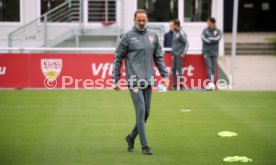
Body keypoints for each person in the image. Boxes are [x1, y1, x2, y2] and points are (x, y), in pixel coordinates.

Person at [112, 9, 169, 155]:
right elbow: (118, 58)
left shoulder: (153, 35)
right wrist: (116, 79)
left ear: (147, 20)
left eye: (144, 20)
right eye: (139, 20)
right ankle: (145, 146)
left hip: (149, 79)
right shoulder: (127, 37)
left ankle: (131, 137)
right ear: (134, 20)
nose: (142, 23)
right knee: (141, 110)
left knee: (146, 113)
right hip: (134, 80)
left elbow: (158, 57)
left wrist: (165, 74)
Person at [201, 17, 222, 90]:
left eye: (208, 22)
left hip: (215, 52)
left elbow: (217, 39)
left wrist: (209, 39)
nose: (207, 24)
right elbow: (203, 38)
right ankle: (210, 83)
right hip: (207, 52)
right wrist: (211, 40)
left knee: (213, 68)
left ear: (212, 23)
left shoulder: (218, 31)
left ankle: (212, 83)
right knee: (209, 67)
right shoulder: (205, 30)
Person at [171, 19, 189, 90]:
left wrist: (183, 53)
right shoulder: (175, 32)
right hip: (174, 54)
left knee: (179, 70)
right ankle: (175, 85)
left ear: (176, 25)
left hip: (179, 54)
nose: (172, 26)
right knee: (173, 69)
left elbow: (187, 43)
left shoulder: (181, 33)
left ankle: (181, 85)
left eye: (173, 25)